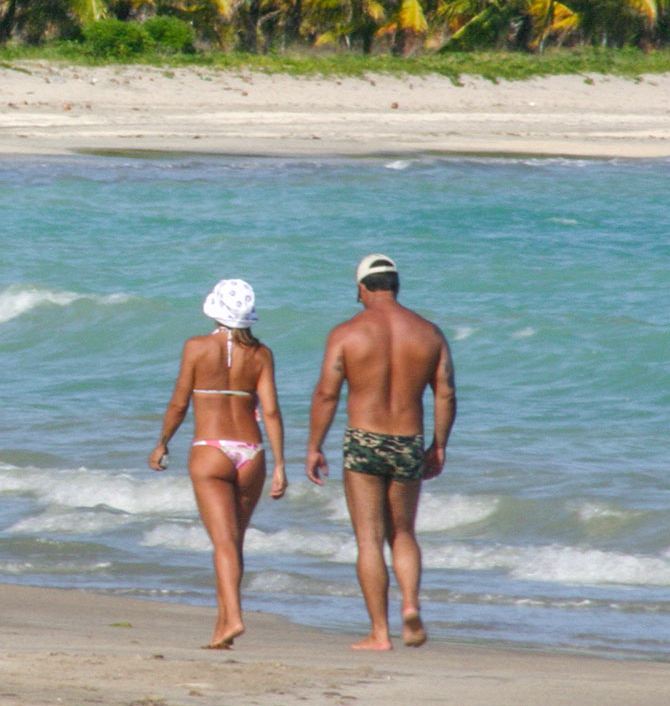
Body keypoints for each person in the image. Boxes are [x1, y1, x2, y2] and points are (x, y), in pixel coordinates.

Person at [304, 254, 456, 651]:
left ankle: (379, 633)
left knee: (369, 540)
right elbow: (445, 393)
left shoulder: (346, 333)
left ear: (362, 288)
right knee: (403, 532)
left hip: (364, 439)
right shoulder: (429, 334)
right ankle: (410, 604)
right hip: (408, 440)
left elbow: (326, 394)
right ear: (396, 286)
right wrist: (439, 445)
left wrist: (314, 447)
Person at [150, 278, 288, 649]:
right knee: (233, 543)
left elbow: (179, 403)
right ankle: (221, 628)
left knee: (223, 543)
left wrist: (162, 443)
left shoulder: (196, 347)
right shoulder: (261, 354)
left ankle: (234, 617)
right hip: (251, 453)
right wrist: (279, 464)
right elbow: (271, 411)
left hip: (210, 449)